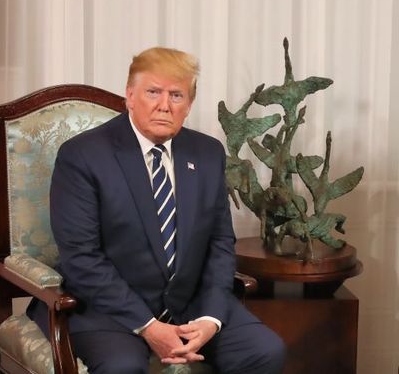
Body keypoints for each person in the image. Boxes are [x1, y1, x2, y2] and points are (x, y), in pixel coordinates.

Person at [27, 47, 286, 373]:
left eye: (176, 95)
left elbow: (220, 244)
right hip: (106, 310)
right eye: (153, 92)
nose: (165, 105)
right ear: (130, 95)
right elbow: (81, 257)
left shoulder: (207, 153)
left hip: (191, 304)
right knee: (122, 368)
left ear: (189, 105)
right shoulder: (83, 155)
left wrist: (209, 319)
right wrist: (148, 325)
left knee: (265, 351)